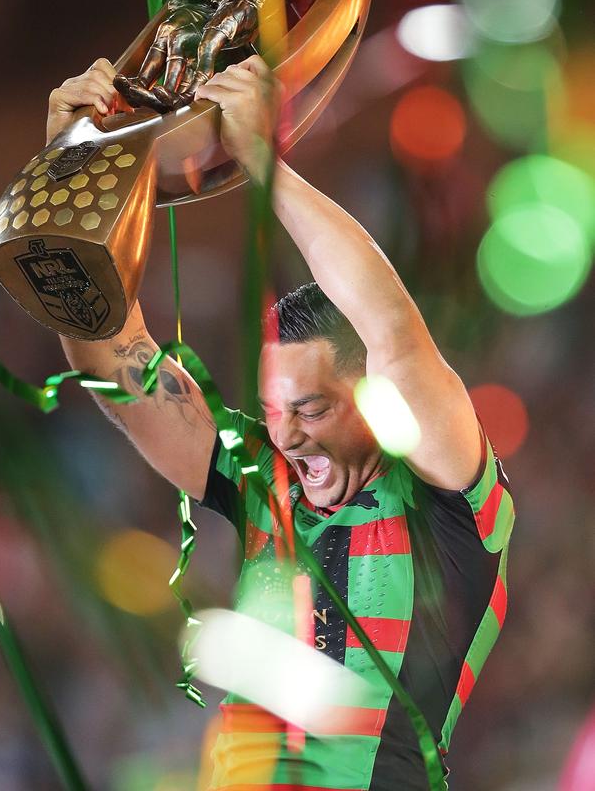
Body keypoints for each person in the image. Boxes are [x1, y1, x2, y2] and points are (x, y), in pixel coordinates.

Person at [47, 55, 515, 790]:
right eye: (273, 413)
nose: (288, 436)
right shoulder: (266, 484)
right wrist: (68, 181)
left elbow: (393, 330)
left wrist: (263, 161)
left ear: (373, 395)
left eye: (313, 409)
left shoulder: (448, 497)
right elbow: (113, 365)